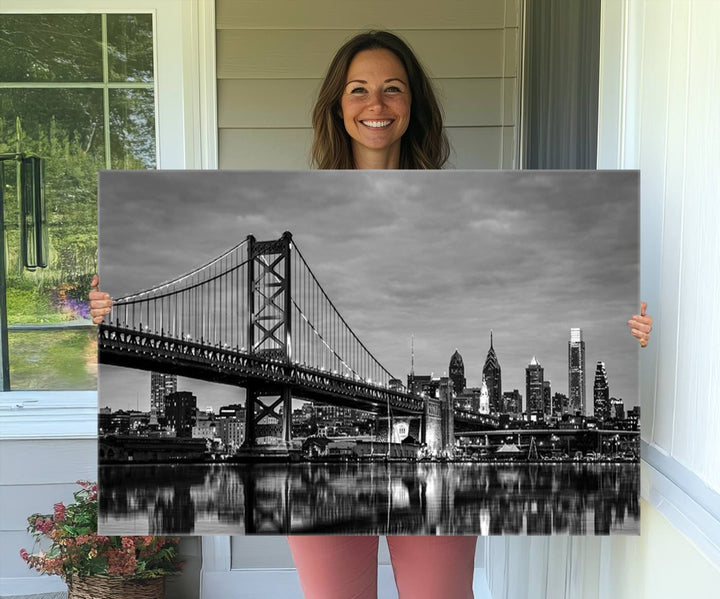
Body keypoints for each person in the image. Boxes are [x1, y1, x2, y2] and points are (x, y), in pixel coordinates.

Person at [89, 30, 653, 599]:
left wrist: (639, 334)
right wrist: (102, 312)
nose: (376, 105)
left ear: (414, 105)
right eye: (358, 90)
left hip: (426, 465)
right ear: (338, 105)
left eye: (393, 89)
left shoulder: (461, 201)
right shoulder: (289, 195)